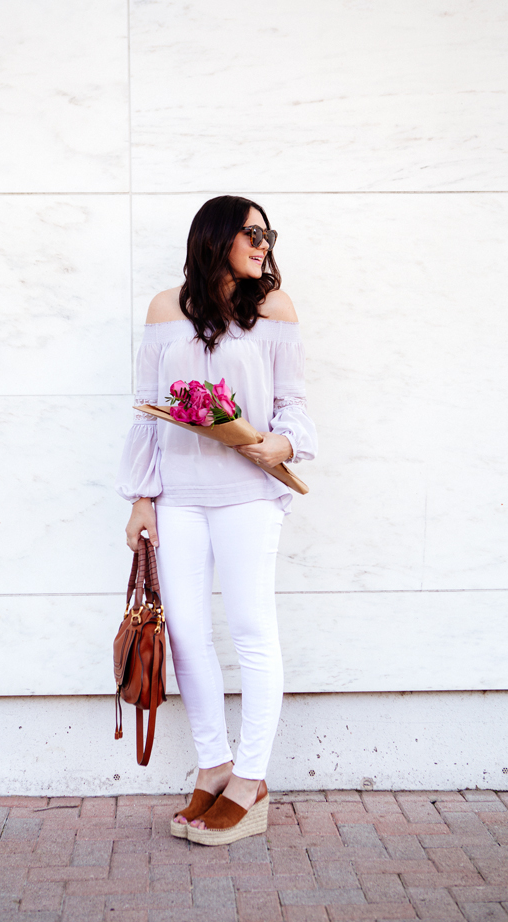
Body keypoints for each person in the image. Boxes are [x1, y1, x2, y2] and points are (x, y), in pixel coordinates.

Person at [115, 195, 317, 845]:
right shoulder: (163, 310)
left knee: (252, 629)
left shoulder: (274, 311)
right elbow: (147, 410)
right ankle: (214, 764)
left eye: (268, 234)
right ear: (216, 237)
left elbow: (294, 408)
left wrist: (275, 446)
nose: (264, 244)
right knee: (188, 636)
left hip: (248, 494)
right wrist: (142, 499)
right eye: (252, 232)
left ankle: (251, 777)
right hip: (179, 497)